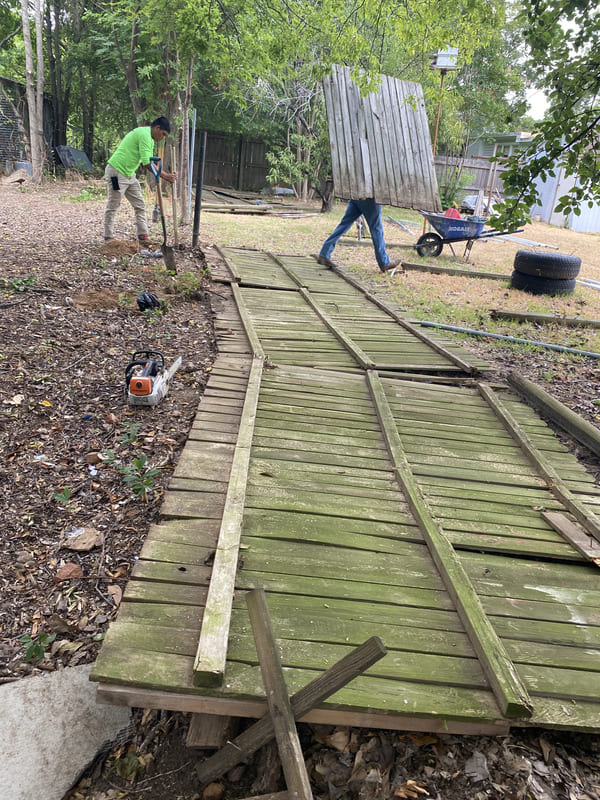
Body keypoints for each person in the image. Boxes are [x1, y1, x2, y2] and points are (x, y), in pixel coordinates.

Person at [103, 116, 177, 243]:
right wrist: (166, 176)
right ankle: (108, 237)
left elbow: (148, 160)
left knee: (140, 204)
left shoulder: (150, 139)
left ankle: (143, 235)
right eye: (163, 134)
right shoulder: (145, 135)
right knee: (113, 204)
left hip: (129, 175)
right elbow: (147, 163)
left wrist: (165, 175)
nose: (162, 138)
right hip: (116, 172)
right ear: (157, 128)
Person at [316, 198, 401, 273]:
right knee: (376, 229)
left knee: (344, 225)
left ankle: (325, 253)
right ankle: (384, 263)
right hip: (370, 197)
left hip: (356, 197)